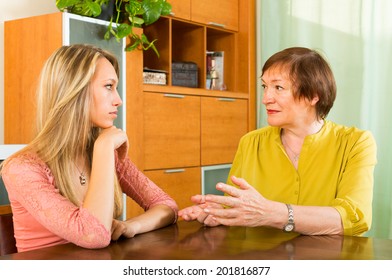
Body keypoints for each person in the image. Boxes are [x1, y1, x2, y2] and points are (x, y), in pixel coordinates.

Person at [179, 47, 377, 236]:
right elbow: (240, 208)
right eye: (265, 86)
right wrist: (217, 213)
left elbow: (354, 218)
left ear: (313, 95)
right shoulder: (251, 142)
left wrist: (271, 213)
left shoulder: (356, 143)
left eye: (278, 87)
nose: (266, 98)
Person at [0, 44, 178, 252]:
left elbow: (167, 205)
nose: (118, 100)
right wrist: (103, 146)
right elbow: (93, 236)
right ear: (75, 90)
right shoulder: (22, 168)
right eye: (109, 86)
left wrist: (131, 226)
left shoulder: (104, 155)